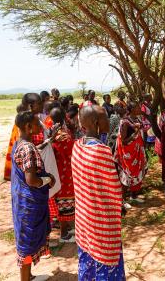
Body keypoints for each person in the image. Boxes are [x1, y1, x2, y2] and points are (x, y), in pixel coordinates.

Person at [71, 105, 125, 281]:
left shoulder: (78, 146)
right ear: (95, 123)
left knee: (88, 258)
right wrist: (120, 206)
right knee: (105, 259)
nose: (108, 120)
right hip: (101, 221)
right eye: (105, 118)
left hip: (84, 218)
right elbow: (114, 189)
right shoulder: (101, 151)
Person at [11, 111, 56, 281]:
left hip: (22, 201)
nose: (41, 125)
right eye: (37, 123)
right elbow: (31, 180)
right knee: (28, 241)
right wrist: (48, 179)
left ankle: (28, 276)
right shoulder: (28, 148)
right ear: (29, 127)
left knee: (26, 238)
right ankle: (25, 279)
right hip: (29, 204)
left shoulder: (19, 144)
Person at [49, 107, 76, 243]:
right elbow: (72, 152)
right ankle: (64, 234)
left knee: (62, 200)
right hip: (65, 173)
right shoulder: (64, 135)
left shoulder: (53, 134)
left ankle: (66, 229)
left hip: (58, 173)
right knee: (64, 202)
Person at [4, 93, 44, 181]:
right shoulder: (23, 125)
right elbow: (24, 149)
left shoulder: (35, 120)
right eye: (40, 103)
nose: (43, 105)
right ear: (31, 106)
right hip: (28, 173)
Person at [115, 101, 148, 204]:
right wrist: (136, 133)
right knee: (127, 175)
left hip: (138, 151)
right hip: (128, 154)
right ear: (132, 109)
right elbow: (123, 140)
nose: (140, 109)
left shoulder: (137, 119)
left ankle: (134, 195)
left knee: (138, 172)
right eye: (138, 107)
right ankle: (123, 200)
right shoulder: (125, 122)